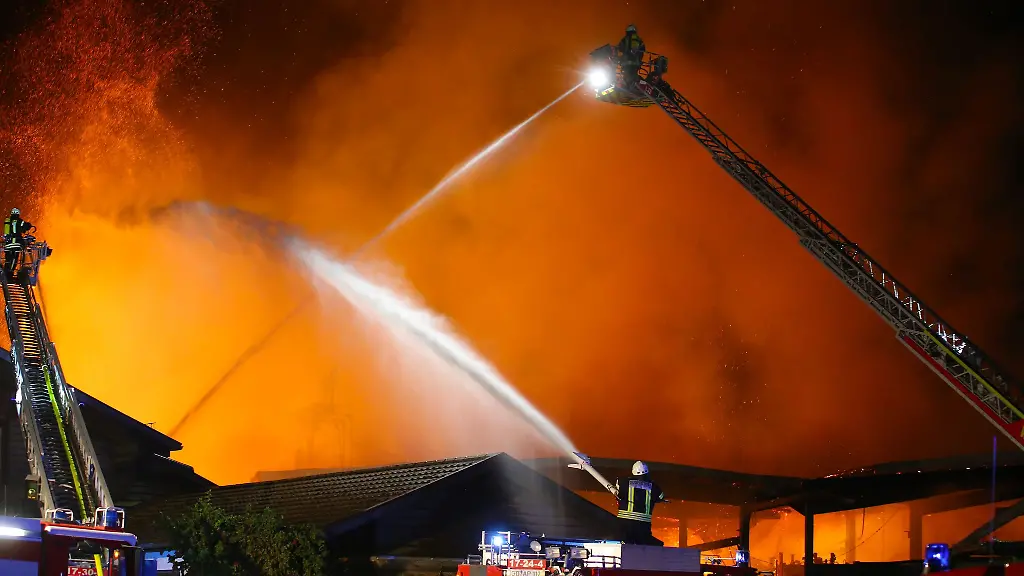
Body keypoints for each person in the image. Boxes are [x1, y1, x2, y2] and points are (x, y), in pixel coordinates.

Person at [615, 460, 666, 545]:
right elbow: (661, 497)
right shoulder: (654, 486)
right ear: (647, 472)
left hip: (625, 523)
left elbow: (617, 491)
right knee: (643, 547)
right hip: (643, 525)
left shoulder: (623, 482)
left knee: (624, 546)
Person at [3, 208, 31, 277]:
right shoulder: (20, 221)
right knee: (14, 259)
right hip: (16, 244)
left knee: (8, 259)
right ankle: (9, 274)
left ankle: (5, 273)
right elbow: (26, 227)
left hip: (8, 244)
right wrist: (29, 225)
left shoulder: (8, 221)